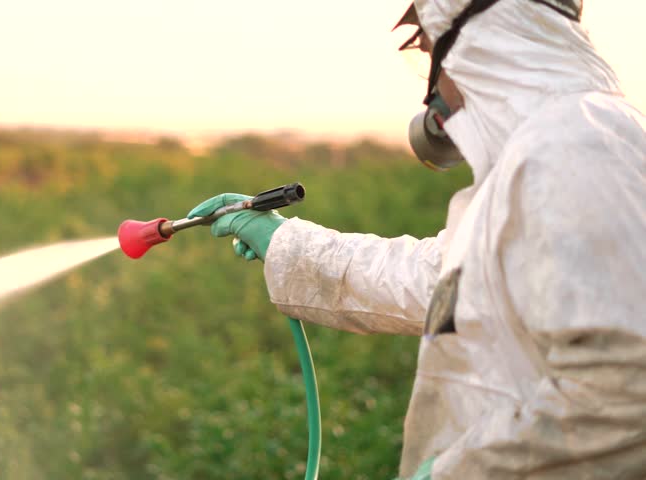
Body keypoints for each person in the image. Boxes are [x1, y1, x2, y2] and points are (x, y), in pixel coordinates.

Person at [188, 0, 646, 478]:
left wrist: (458, 472)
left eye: (434, 59)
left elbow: (624, 391)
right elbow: (446, 279)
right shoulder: (562, 144)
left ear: (482, 49)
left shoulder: (576, 147)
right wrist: (287, 245)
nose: (434, 95)